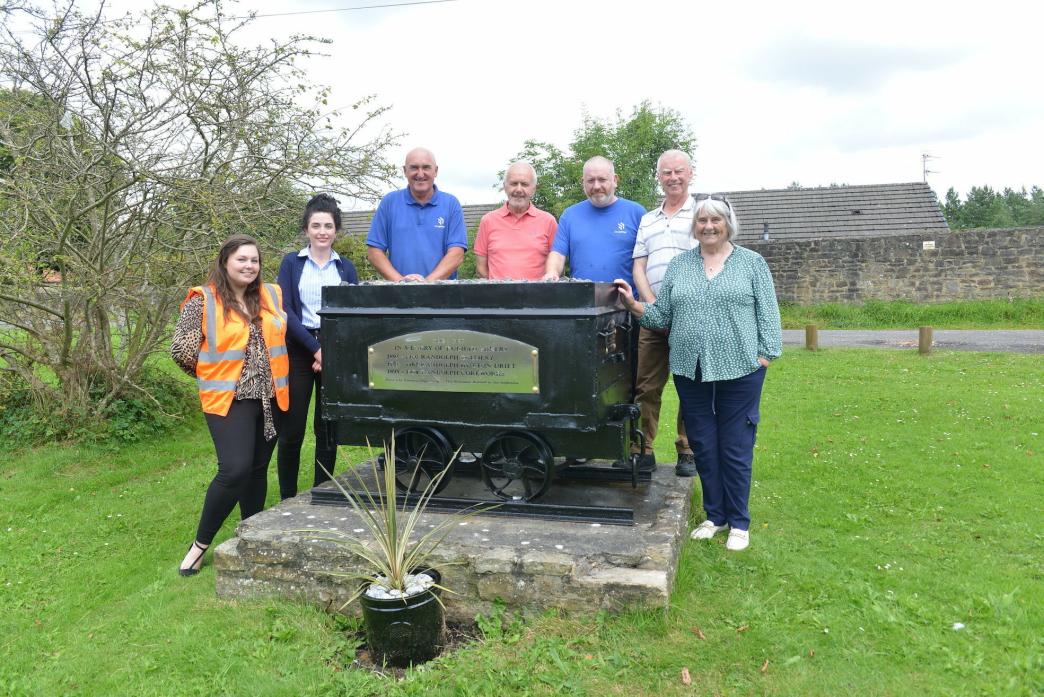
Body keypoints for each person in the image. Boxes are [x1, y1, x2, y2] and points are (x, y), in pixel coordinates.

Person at [614, 194, 782, 551]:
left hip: (740, 369)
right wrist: (633, 304)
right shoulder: (680, 267)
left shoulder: (751, 263)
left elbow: (768, 315)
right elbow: (662, 317)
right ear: (695, 227)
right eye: (702, 221)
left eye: (715, 220)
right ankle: (714, 515)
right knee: (703, 444)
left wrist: (765, 356)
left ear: (727, 224)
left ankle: (739, 522)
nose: (708, 226)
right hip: (691, 370)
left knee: (735, 445)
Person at [171, 235, 290, 575]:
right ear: (225, 262)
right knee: (234, 470)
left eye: (254, 260)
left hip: (272, 398)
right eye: (242, 260)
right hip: (229, 399)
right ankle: (199, 546)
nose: (249, 266)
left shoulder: (271, 294)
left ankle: (250, 536)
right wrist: (211, 373)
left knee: (256, 471)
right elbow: (181, 350)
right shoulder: (204, 300)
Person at [276, 194, 359, 499]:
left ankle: (322, 491)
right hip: (298, 350)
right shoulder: (291, 263)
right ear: (306, 229)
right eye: (316, 225)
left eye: (328, 225)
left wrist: (329, 351)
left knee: (327, 428)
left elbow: (352, 313)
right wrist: (314, 348)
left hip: (334, 351)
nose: (322, 231)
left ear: (336, 229)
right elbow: (284, 310)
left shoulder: (346, 268)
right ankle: (287, 497)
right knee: (292, 430)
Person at [632, 150, 697, 474]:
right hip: (653, 314)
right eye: (666, 173)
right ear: (658, 177)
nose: (673, 177)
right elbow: (639, 266)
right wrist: (652, 304)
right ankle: (643, 449)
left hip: (692, 315)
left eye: (678, 171)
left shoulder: (702, 214)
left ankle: (687, 449)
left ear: (691, 173)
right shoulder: (647, 219)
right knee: (646, 385)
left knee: (690, 383)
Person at [366, 147, 467, 281]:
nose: (420, 174)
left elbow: (456, 254)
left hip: (442, 296)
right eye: (414, 168)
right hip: (398, 296)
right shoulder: (389, 203)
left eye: (426, 167)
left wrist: (426, 285)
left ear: (435, 171)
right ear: (405, 171)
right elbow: (374, 252)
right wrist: (401, 283)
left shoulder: (451, 204)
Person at [542, 156, 644, 288]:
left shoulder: (636, 213)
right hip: (582, 303)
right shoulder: (570, 215)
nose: (596, 186)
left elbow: (645, 262)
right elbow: (558, 254)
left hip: (626, 303)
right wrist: (552, 272)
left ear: (615, 180)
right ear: (583, 182)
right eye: (590, 180)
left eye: (602, 179)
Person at [474, 161, 557, 280]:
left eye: (524, 184)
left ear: (534, 188)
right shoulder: (488, 221)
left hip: (538, 297)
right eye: (513, 183)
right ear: (504, 186)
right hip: (498, 296)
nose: (518, 189)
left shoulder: (549, 221)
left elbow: (557, 266)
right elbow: (481, 268)